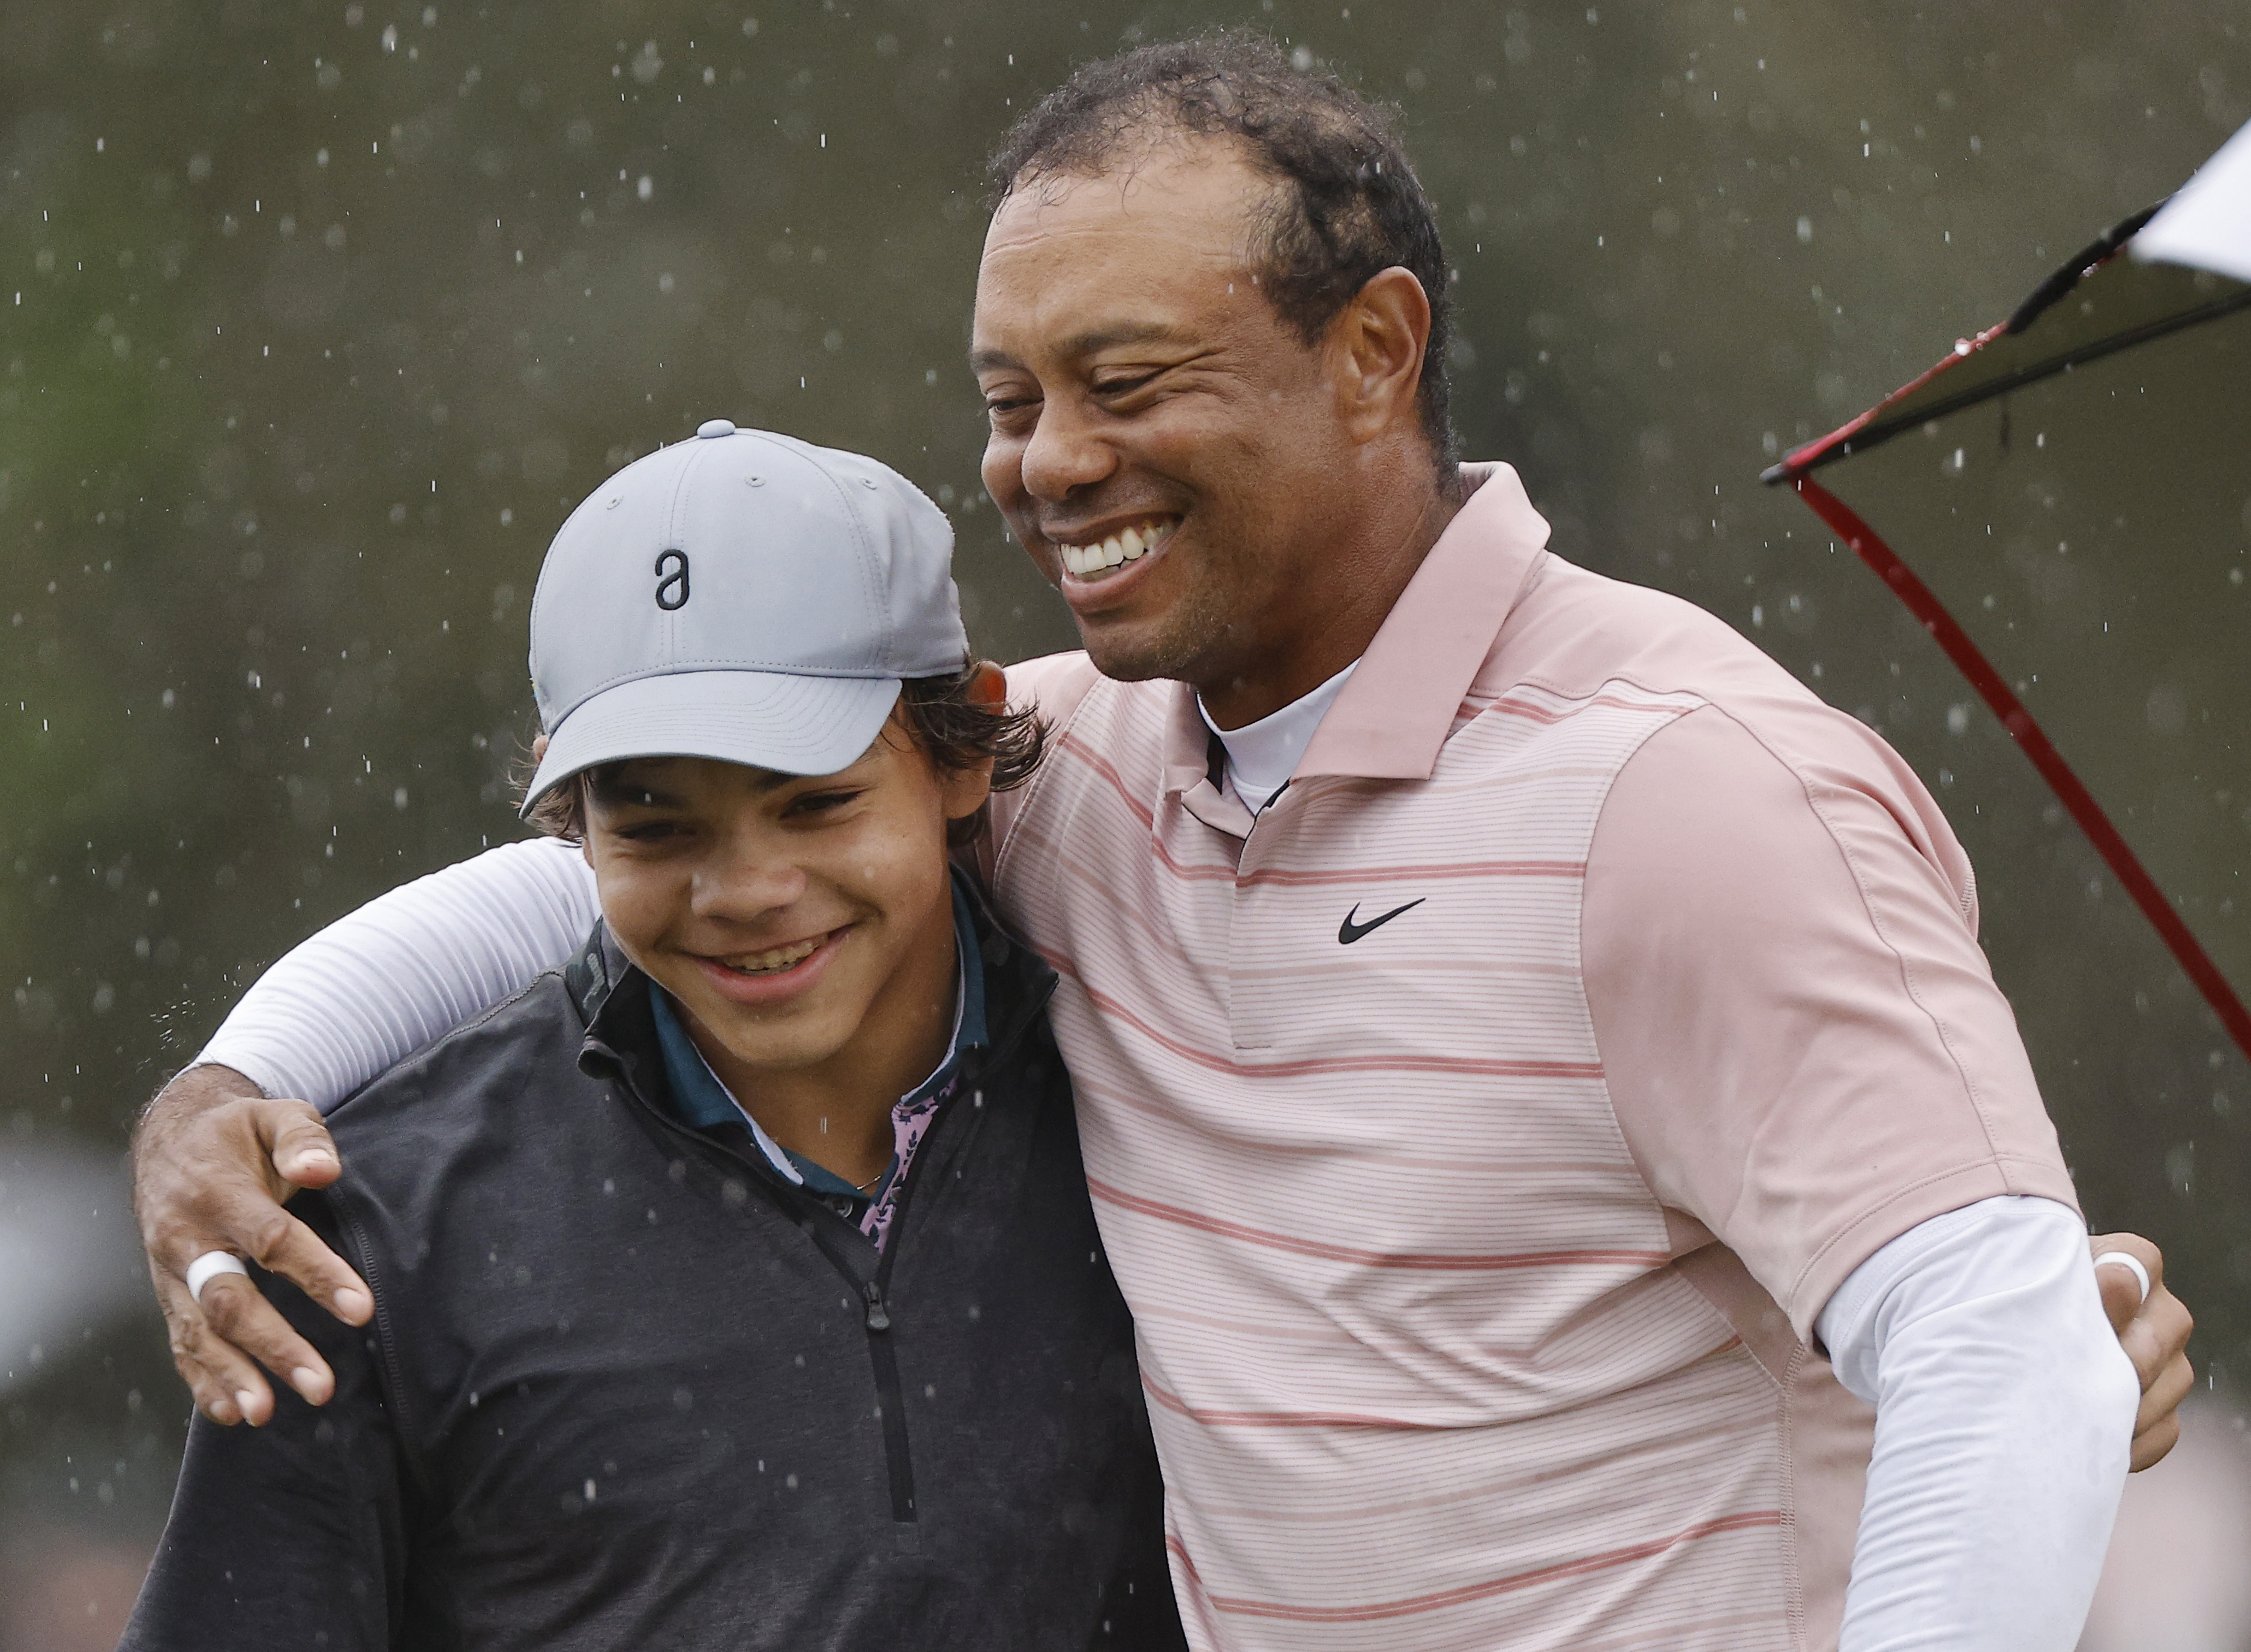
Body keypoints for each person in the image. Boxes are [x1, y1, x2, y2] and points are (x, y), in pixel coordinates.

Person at [133, 34, 2199, 1652]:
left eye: (1122, 381)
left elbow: (2001, 1358)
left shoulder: (1690, 787)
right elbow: (641, 865)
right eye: (1010, 398)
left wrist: (2023, 1322)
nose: (1048, 467)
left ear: (1373, 352)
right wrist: (241, 1085)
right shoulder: (1087, 764)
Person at [119, 428, 1182, 1649]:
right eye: (657, 827)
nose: (744, 889)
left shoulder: (1155, 1081)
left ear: (958, 753)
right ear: (568, 817)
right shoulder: (370, 1237)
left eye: (816, 801)